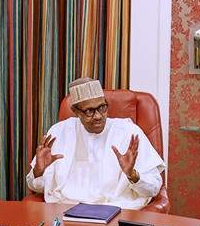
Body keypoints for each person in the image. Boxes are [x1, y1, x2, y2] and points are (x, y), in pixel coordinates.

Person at [25, 77, 166, 209]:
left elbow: (153, 188)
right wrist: (39, 171)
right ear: (75, 111)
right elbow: (38, 187)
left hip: (115, 210)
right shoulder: (59, 132)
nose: (98, 116)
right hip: (65, 210)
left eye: (102, 108)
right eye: (89, 111)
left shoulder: (128, 133)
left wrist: (132, 174)